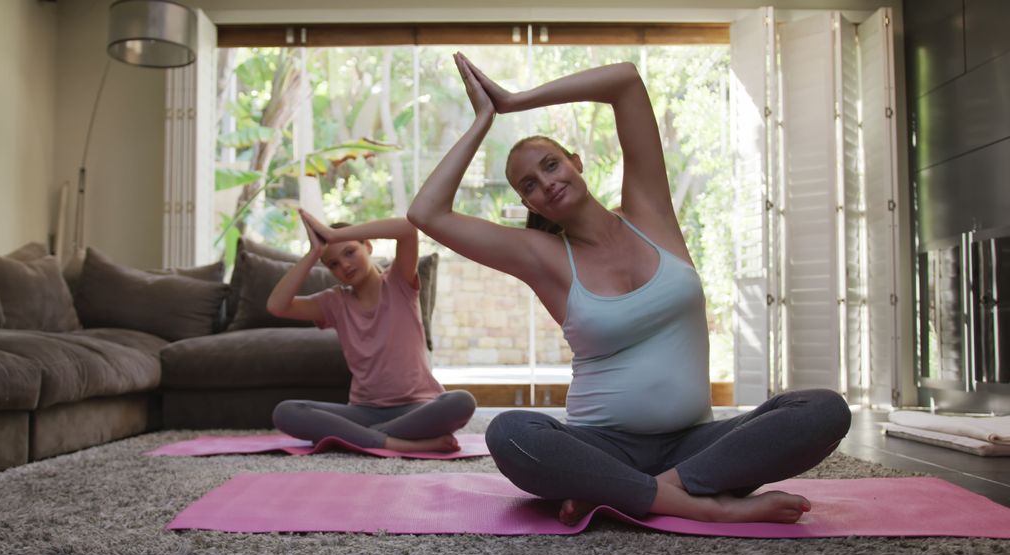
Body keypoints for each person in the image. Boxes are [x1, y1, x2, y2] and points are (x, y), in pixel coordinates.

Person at [407, 53, 851, 524]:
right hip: (600, 446)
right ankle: (706, 505)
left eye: (552, 165)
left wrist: (515, 100)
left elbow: (625, 82)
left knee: (823, 411)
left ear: (576, 162)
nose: (547, 183)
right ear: (527, 203)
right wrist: (483, 119)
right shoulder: (544, 258)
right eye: (530, 185)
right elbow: (427, 213)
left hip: (694, 445)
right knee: (511, 432)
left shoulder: (650, 214)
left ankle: (642, 493)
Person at [267, 210, 476, 453]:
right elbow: (277, 306)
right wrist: (314, 253)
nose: (344, 265)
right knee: (286, 412)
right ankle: (397, 443)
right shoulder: (334, 303)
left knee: (461, 402)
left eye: (350, 252)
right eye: (333, 264)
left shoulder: (399, 282)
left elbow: (407, 230)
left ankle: (355, 439)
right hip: (363, 411)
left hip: (417, 408)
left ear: (368, 246)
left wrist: (334, 235)